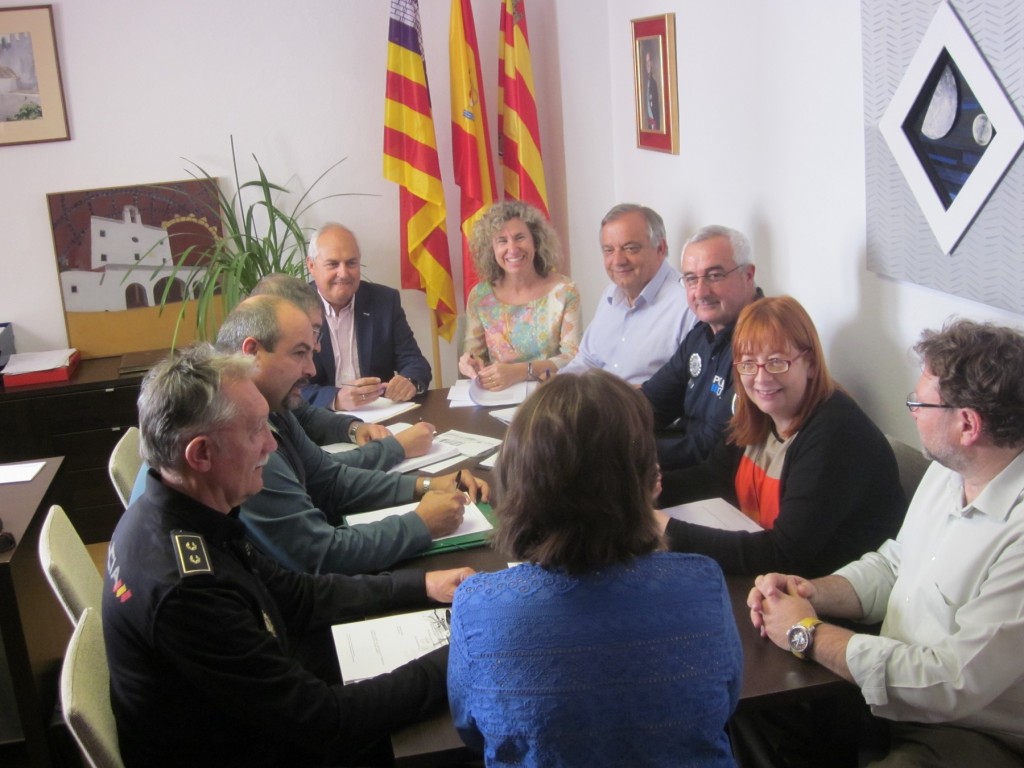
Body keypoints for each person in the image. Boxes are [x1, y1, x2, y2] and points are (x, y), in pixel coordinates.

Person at [102, 344, 473, 768]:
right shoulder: (187, 588)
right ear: (201, 454)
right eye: (255, 429)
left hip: (258, 706)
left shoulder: (183, 508)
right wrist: (466, 653)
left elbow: (295, 595)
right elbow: (329, 722)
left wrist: (421, 584)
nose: (272, 445)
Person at [746, 318, 1024, 767]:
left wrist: (808, 634)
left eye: (920, 403)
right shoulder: (949, 471)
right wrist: (813, 591)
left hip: (973, 729)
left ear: (967, 424)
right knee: (752, 720)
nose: (911, 410)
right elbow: (895, 564)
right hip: (893, 683)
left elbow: (949, 683)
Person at [448, 370, 741, 767]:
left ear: (517, 479)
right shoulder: (703, 585)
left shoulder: (478, 607)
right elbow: (725, 704)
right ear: (643, 481)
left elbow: (470, 729)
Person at [215, 295, 489, 576]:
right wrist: (420, 524)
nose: (310, 369)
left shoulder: (272, 403)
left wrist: (425, 485)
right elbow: (320, 554)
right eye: (299, 353)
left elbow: (331, 481)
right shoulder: (237, 435)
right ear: (251, 352)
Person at [658, 296, 906, 578]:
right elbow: (711, 478)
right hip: (773, 577)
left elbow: (783, 555)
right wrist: (645, 491)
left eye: (777, 362)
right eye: (748, 363)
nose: (761, 378)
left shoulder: (836, 433)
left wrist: (666, 529)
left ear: (810, 363)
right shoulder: (756, 411)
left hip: (825, 594)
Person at [642, 224, 762, 470]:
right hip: (682, 462)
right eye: (690, 278)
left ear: (748, 275)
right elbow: (651, 404)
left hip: (714, 484)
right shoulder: (702, 333)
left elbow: (710, 449)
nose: (700, 291)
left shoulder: (762, 344)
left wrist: (629, 451)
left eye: (714, 276)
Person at [251, 273, 398, 449]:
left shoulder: (271, 397)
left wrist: (354, 428)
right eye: (298, 352)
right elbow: (318, 473)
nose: (317, 346)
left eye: (316, 331)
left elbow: (304, 415)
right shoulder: (238, 415)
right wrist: (396, 449)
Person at [560, 203, 695, 384]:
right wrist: (551, 392)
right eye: (608, 250)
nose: (618, 261)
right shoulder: (610, 295)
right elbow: (586, 361)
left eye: (630, 248)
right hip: (597, 405)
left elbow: (689, 386)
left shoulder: (687, 304)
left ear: (660, 248)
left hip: (644, 409)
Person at [302, 222, 431, 410]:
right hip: (320, 420)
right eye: (333, 264)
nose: (343, 273)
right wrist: (335, 398)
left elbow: (415, 362)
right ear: (311, 265)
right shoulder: (294, 309)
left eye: (351, 263)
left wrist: (409, 380)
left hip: (380, 415)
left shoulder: (384, 301)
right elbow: (288, 387)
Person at [457, 201, 581, 390]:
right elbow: (474, 355)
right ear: (491, 249)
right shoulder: (480, 296)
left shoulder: (564, 291)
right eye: (502, 241)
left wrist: (520, 371)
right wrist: (470, 363)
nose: (512, 248)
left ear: (536, 241)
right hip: (496, 396)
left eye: (520, 237)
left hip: (550, 395)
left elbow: (573, 358)